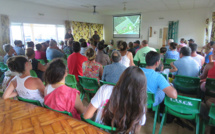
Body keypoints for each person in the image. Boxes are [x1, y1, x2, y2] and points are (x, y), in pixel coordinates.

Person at [84, 66, 147, 134]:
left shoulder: (105, 90)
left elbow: (86, 116)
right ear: (142, 88)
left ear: (122, 78)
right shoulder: (141, 106)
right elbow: (136, 130)